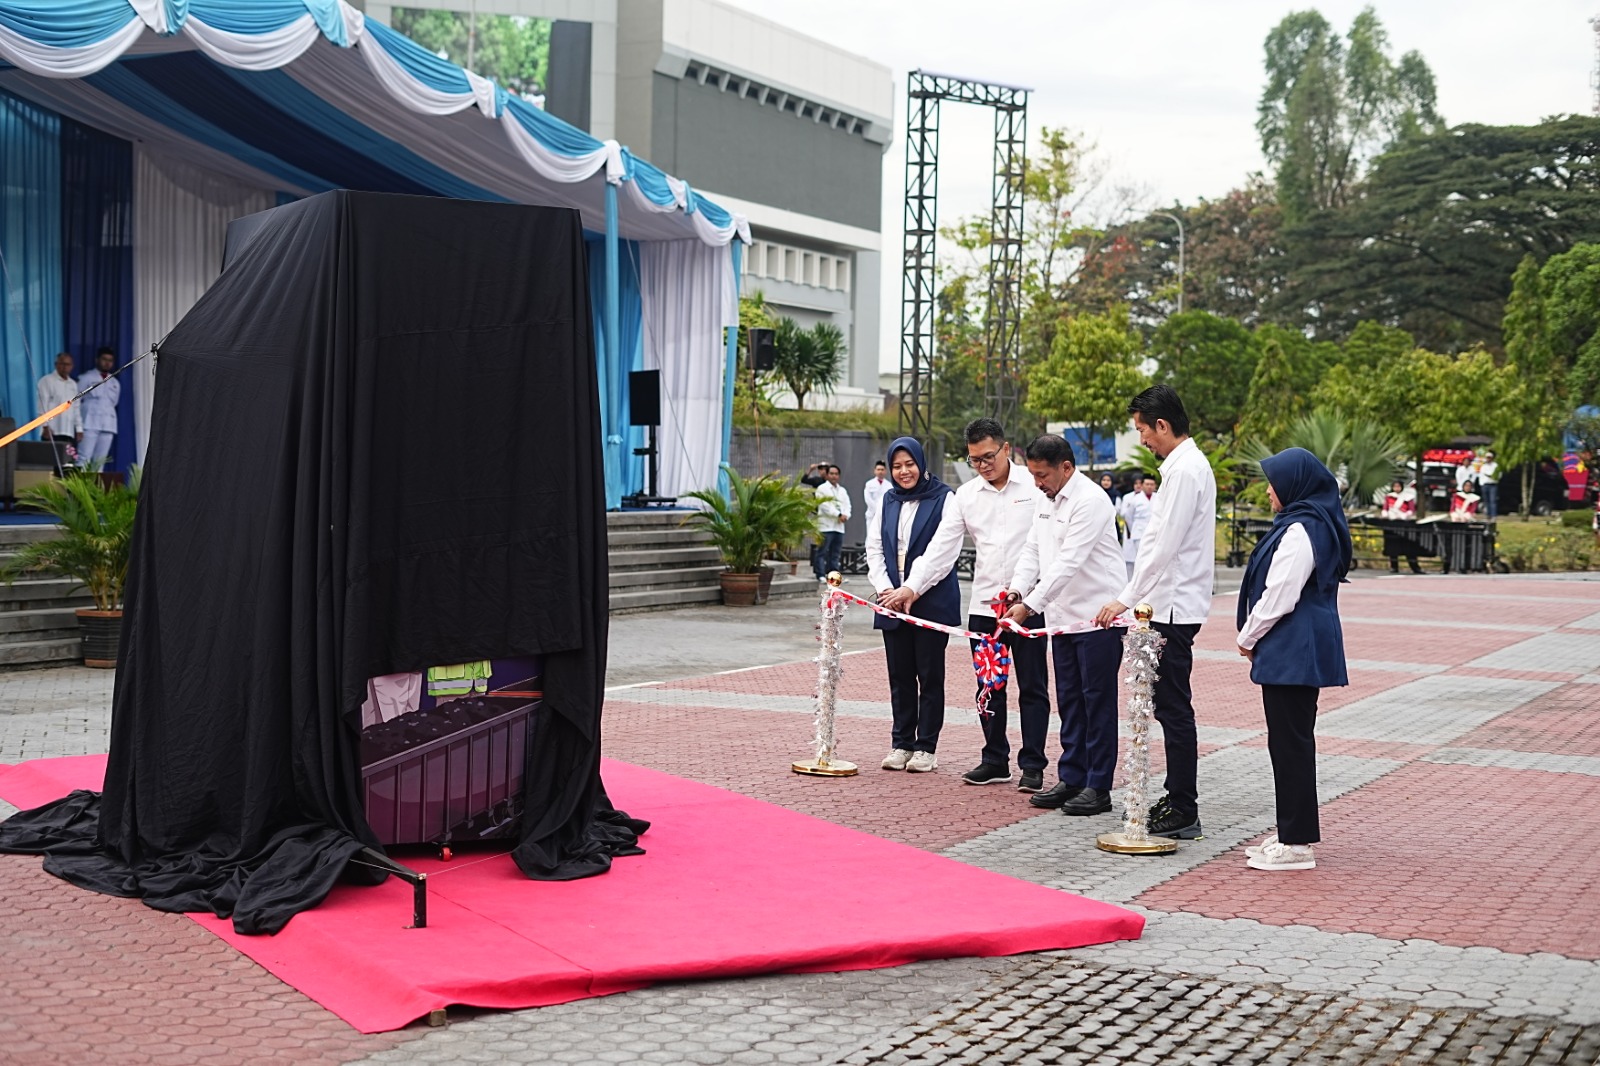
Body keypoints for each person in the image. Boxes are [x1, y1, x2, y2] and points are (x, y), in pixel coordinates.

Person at [1095, 384, 1216, 840]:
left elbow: (1163, 546)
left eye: (1143, 430)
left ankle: (1184, 807)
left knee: (1173, 707)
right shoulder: (1183, 467)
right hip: (1167, 603)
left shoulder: (1185, 471)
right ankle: (1177, 796)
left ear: (1162, 425)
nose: (1142, 439)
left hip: (1172, 606)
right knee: (1167, 704)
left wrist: (1125, 598)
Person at [917, 418, 1050, 792]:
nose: (983, 465)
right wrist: (912, 587)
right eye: (975, 459)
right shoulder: (966, 495)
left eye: (989, 456)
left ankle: (1033, 763)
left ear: (1006, 449)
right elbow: (941, 549)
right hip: (985, 607)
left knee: (1033, 685)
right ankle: (994, 758)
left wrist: (1034, 594)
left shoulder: (1034, 485)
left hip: (1029, 605)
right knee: (989, 686)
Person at [1236, 447, 1351, 871]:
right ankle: (1290, 832)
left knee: (1291, 744)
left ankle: (1297, 844)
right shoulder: (1305, 522)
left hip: (1294, 646)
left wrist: (1248, 635)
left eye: (1274, 484)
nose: (1269, 491)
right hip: (1296, 646)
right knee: (1288, 741)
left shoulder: (1303, 528)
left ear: (1294, 486)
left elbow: (1280, 594)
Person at [1007, 435, 1127, 817]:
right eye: (1033, 475)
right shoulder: (1046, 499)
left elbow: (1068, 562)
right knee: (1070, 701)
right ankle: (1072, 776)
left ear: (1066, 467)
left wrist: (1030, 606)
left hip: (1096, 619)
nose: (1037, 483)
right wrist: (1016, 590)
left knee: (1097, 702)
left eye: (1042, 475)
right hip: (1062, 620)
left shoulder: (1091, 500)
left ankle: (1098, 785)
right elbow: (1033, 550)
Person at [867, 437, 962, 774]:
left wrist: (913, 589)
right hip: (892, 601)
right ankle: (902, 743)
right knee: (900, 676)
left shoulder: (945, 498)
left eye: (909, 464)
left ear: (921, 464)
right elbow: (875, 547)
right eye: (897, 466)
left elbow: (945, 553)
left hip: (931, 599)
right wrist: (885, 589)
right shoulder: (888, 499)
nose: (903, 471)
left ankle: (926, 748)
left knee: (930, 676)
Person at [75, 346, 121, 470]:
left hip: (108, 424)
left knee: (100, 461)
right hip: (89, 422)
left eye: (110, 360)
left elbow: (114, 402)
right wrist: (78, 425)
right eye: (104, 359)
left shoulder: (114, 382)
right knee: (83, 458)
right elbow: (76, 400)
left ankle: (95, 483)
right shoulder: (86, 378)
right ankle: (79, 483)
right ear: (97, 360)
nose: (107, 363)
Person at [36, 352, 82, 465]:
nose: (65, 367)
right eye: (62, 364)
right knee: (51, 463)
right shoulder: (47, 381)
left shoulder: (73, 384)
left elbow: (76, 408)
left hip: (68, 431)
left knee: (67, 464)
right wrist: (45, 426)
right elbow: (42, 405)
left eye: (68, 364)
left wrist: (79, 429)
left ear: (72, 366)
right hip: (52, 430)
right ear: (56, 364)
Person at [812, 464, 852, 581]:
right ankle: (820, 574)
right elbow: (824, 506)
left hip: (839, 526)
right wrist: (838, 515)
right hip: (826, 526)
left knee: (835, 553)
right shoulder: (822, 489)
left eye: (836, 474)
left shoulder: (842, 490)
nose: (834, 476)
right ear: (827, 475)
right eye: (831, 474)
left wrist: (846, 515)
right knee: (822, 551)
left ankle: (834, 577)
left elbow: (847, 505)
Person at [1117, 474, 1157, 579]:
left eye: (1152, 484)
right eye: (1147, 484)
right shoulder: (1135, 499)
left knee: (1153, 559)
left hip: (1155, 532)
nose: (1149, 487)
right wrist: (1134, 529)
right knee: (1140, 559)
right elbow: (1128, 517)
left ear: (1155, 486)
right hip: (1139, 532)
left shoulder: (1159, 498)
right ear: (1143, 485)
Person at [1478, 450, 1499, 520]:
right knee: (1486, 501)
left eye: (1489, 458)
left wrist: (1492, 476)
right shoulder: (1483, 466)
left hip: (1493, 484)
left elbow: (1496, 475)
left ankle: (1493, 516)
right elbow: (1481, 475)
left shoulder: (1495, 465)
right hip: (1485, 484)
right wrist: (1481, 484)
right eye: (1487, 458)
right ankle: (1488, 515)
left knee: (1493, 500)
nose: (1488, 459)